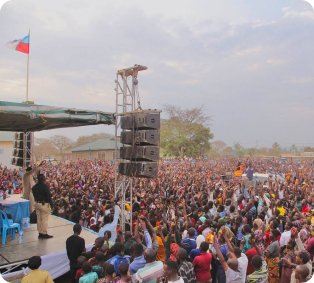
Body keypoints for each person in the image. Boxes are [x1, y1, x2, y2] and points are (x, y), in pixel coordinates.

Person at [32, 173, 54, 239]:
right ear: (43, 179)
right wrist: (51, 205)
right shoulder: (45, 186)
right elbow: (49, 197)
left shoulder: (34, 187)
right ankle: (44, 233)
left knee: (39, 219)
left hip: (37, 204)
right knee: (44, 219)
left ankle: (40, 233)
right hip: (44, 205)